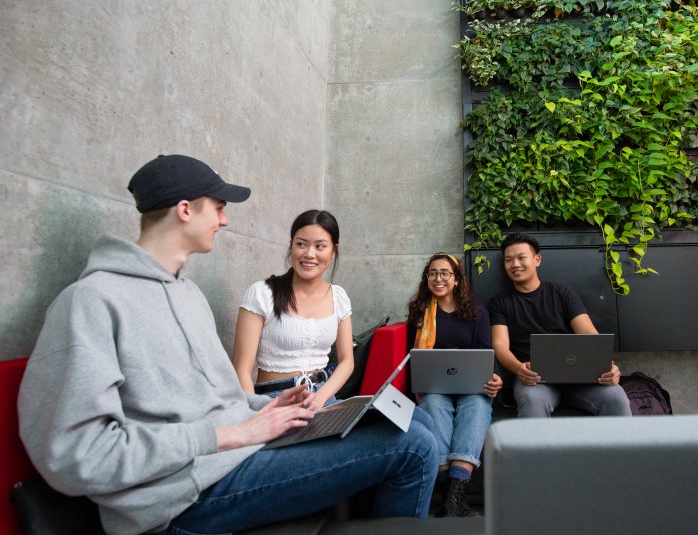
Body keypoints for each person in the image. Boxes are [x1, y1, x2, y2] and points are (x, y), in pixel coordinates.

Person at [17, 154, 438, 535]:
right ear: (185, 210)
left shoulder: (188, 295)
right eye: (218, 208)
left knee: (409, 423)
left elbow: (221, 400)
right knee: (414, 447)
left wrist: (271, 409)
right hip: (184, 495)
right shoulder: (90, 301)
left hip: (238, 454)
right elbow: (78, 457)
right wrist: (228, 434)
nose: (225, 220)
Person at [488, 233, 631, 418]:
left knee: (616, 397)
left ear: (537, 259)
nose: (515, 264)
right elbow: (499, 346)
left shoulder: (562, 293)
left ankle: (622, 448)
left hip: (579, 376)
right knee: (533, 400)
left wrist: (608, 366)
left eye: (521, 258)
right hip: (534, 379)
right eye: (509, 260)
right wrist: (519, 369)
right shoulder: (499, 303)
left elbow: (588, 334)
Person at [406, 252, 502, 518]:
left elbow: (486, 352)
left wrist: (493, 377)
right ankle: (454, 500)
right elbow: (410, 357)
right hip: (433, 386)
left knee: (477, 407)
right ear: (427, 279)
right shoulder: (419, 312)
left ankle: (451, 497)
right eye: (433, 273)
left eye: (445, 273)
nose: (438, 279)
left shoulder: (477, 311)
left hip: (472, 385)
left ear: (457, 279)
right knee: (434, 405)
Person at [232, 210, 352, 408]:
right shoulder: (262, 293)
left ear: (333, 252)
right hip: (274, 401)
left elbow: (347, 361)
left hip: (322, 397)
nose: (309, 254)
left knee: (413, 424)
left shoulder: (339, 297)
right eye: (301, 244)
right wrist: (258, 416)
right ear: (291, 246)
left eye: (320, 246)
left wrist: (320, 399)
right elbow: (241, 370)